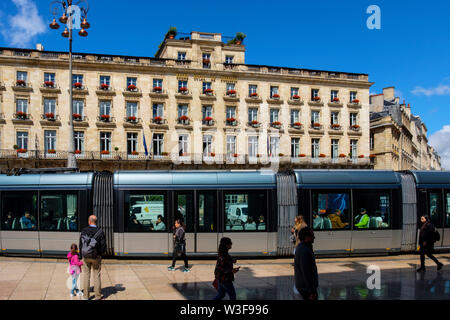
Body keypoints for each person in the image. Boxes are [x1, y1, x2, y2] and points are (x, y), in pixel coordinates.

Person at [79, 215, 107, 300]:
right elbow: (103, 246)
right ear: (96, 222)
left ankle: (86, 296)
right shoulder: (100, 231)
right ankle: (98, 296)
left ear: (89, 221)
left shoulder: (84, 231)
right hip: (96, 257)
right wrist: (100, 254)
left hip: (85, 256)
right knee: (96, 275)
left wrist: (81, 255)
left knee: (86, 275)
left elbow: (80, 244)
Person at [294, 227, 318, 300]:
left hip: (303, 286)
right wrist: (312, 291)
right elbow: (306, 272)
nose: (314, 237)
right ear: (306, 237)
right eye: (312, 235)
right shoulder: (304, 251)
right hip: (306, 288)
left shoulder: (301, 247)